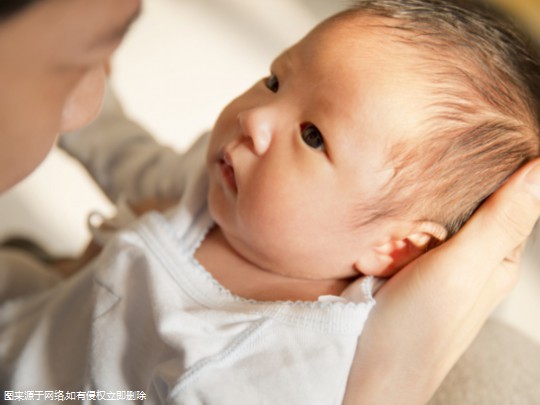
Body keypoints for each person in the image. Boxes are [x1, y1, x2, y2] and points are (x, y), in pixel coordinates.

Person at [1, 0, 540, 404]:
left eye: (312, 136)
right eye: (275, 80)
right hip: (31, 316)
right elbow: (131, 161)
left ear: (395, 245)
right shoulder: (221, 184)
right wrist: (69, 80)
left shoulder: (283, 361)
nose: (256, 118)